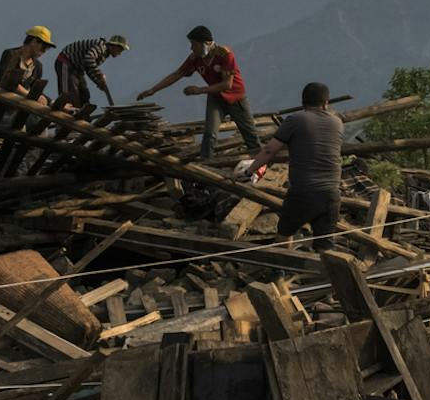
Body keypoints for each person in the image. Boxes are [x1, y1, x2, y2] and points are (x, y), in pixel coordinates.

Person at [241, 82, 346, 246]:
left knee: (285, 232)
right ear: (326, 102)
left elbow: (269, 150)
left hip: (303, 192)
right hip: (331, 193)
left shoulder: (296, 120)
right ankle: (326, 270)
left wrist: (248, 172)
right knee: (324, 243)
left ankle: (282, 269)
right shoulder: (337, 123)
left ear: (303, 102)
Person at [138, 25, 258, 158]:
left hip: (236, 99)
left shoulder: (224, 54)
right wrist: (153, 90)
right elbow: (178, 74)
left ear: (205, 44)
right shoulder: (195, 58)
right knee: (209, 133)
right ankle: (206, 164)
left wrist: (199, 90)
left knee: (250, 135)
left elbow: (227, 84)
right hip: (216, 98)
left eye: (193, 44)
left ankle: (260, 162)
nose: (191, 48)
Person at [55, 35, 128, 107]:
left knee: (84, 94)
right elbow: (89, 58)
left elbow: (89, 68)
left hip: (78, 69)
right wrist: (100, 74)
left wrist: (98, 82)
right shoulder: (101, 47)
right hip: (66, 62)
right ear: (114, 46)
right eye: (120, 50)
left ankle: (81, 113)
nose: (120, 53)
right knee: (70, 93)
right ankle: (67, 110)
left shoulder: (104, 54)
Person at [0, 26, 54, 98]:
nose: (44, 51)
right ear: (34, 42)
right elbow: (6, 81)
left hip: (20, 107)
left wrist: (51, 102)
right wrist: (30, 95)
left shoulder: (38, 66)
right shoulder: (11, 54)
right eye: (44, 47)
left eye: (47, 48)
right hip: (0, 103)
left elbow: (35, 90)